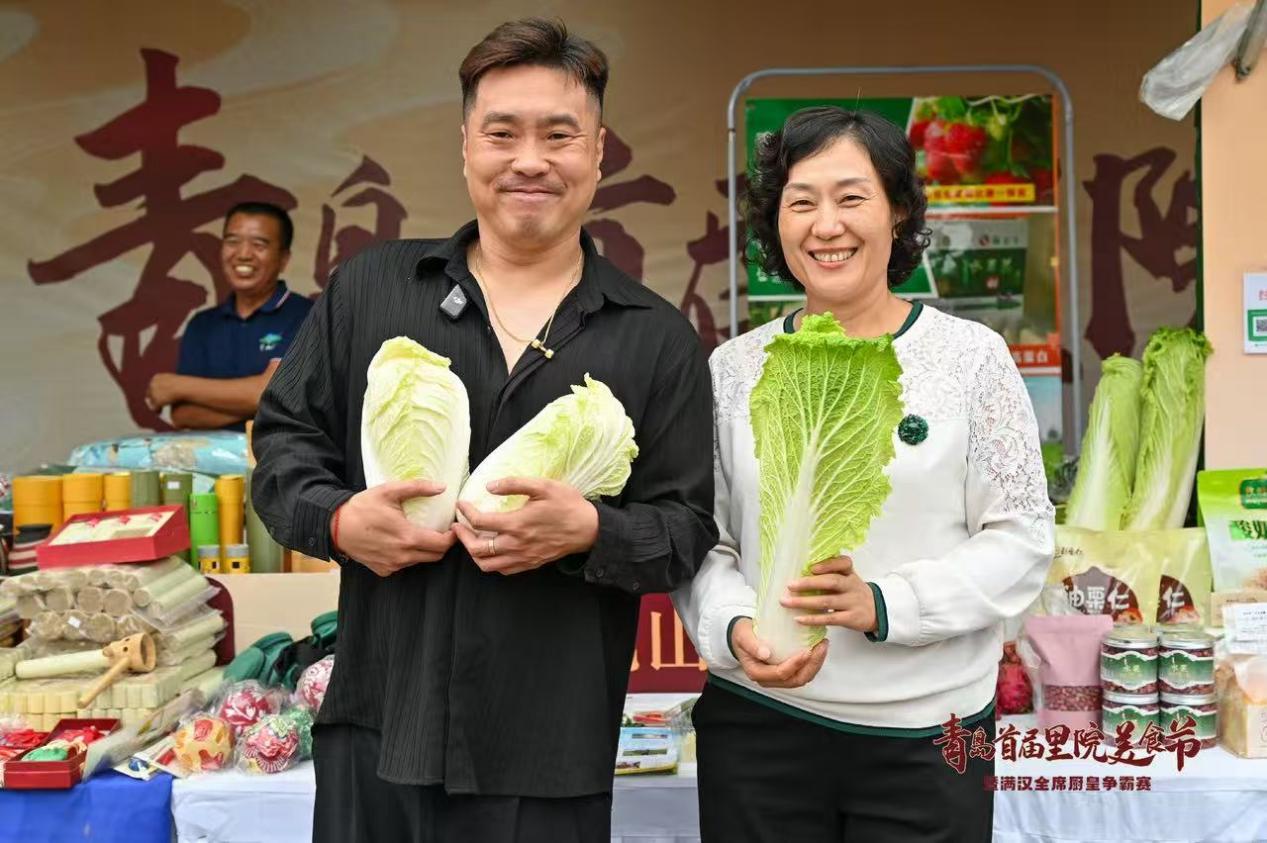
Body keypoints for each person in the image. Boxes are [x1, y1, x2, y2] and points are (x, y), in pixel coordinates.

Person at [250, 18, 716, 843]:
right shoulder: (372, 290)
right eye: (502, 132)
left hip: (547, 750)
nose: (528, 159)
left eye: (558, 135)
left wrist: (589, 530)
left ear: (598, 151)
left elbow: (684, 529)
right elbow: (284, 447)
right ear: (466, 144)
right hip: (378, 723)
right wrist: (338, 520)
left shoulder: (654, 336)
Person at [673, 106, 1055, 842]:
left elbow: (1021, 539)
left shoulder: (969, 358)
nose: (826, 225)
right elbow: (704, 541)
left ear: (898, 211)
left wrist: (885, 602)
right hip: (761, 725)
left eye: (851, 198)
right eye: (800, 201)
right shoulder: (733, 368)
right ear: (774, 221)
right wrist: (733, 625)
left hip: (934, 732)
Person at [146, 201, 312, 430]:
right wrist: (260, 403)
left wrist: (176, 386)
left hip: (281, 463)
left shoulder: (306, 315)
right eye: (232, 241)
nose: (243, 254)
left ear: (284, 259)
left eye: (259, 244)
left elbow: (275, 393)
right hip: (212, 465)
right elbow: (183, 415)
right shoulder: (202, 325)